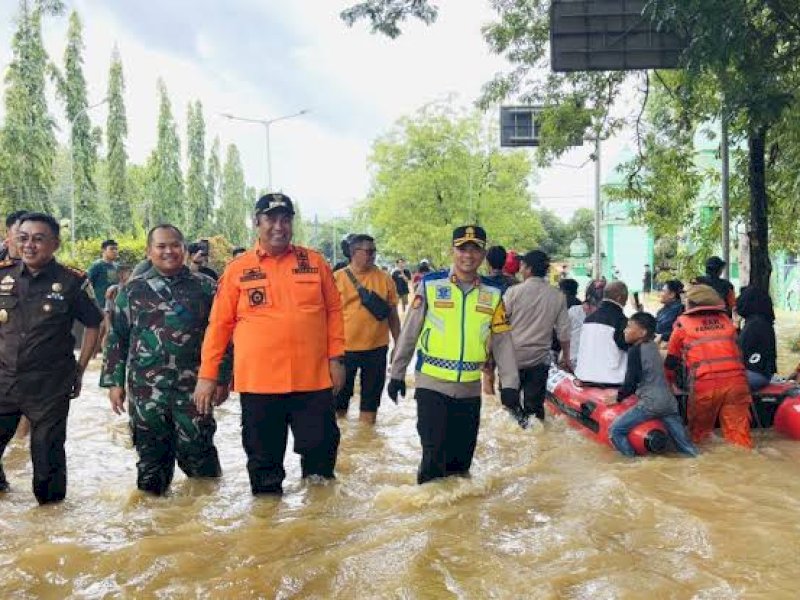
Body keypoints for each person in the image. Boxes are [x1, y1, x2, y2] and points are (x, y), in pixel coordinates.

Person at [194, 193, 345, 495]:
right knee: (264, 469)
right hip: (259, 385)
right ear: (257, 223)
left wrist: (337, 359)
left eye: (285, 219)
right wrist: (208, 376)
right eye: (271, 219)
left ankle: (320, 531)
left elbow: (334, 313)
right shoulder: (237, 269)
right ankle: (267, 531)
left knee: (320, 465)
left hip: (312, 382)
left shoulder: (314, 263)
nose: (279, 226)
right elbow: (219, 326)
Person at [101, 225, 231, 495]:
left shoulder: (207, 288)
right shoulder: (132, 291)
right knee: (151, 469)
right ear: (149, 252)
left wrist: (222, 378)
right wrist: (115, 383)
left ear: (184, 249)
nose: (168, 251)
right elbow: (117, 338)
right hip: (146, 392)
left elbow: (223, 337)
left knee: (201, 462)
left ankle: (204, 527)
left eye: (175, 245)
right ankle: (153, 529)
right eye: (161, 246)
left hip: (194, 390)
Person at [387, 225, 521, 484]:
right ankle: (430, 518)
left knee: (461, 467)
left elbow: (503, 341)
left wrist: (511, 384)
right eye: (462, 249)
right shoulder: (430, 285)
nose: (468, 255)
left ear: (483, 254)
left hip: (470, 389)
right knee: (433, 460)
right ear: (452, 251)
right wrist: (397, 373)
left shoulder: (494, 293)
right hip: (431, 385)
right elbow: (410, 332)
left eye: (475, 249)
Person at [0, 213, 102, 503]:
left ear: (54, 244)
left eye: (38, 239)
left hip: (49, 386)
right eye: (23, 238)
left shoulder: (72, 281)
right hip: (4, 381)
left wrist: (80, 370)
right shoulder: (3, 275)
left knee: (47, 460)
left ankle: (51, 521)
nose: (29, 245)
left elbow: (94, 323)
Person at [664, 284, 752, 448]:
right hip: (737, 383)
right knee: (740, 439)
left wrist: (669, 385)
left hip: (706, 386)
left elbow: (671, 362)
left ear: (690, 303)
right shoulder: (727, 322)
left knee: (701, 437)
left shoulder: (682, 326)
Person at [609, 312, 698, 457]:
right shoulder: (652, 346)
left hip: (651, 404)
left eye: (629, 327)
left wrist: (618, 397)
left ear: (642, 333)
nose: (624, 330)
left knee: (616, 431)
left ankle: (633, 464)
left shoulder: (635, 351)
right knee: (687, 447)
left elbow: (631, 383)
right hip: (669, 402)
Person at [333, 234, 400, 424]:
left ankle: (367, 439)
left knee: (370, 405)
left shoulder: (385, 279)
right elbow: (327, 317)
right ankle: (344, 449)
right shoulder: (336, 279)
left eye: (374, 251)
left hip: (377, 350)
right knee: (338, 406)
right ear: (354, 252)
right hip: (344, 351)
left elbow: (393, 316)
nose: (373, 256)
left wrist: (398, 345)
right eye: (368, 252)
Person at [504, 250, 571, 421]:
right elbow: (564, 332)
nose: (520, 269)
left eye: (522, 266)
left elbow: (498, 325)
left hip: (512, 358)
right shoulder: (558, 296)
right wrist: (566, 357)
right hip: (539, 360)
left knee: (510, 408)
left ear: (528, 268)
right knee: (535, 410)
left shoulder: (513, 292)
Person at [575, 281, 630, 386]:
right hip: (611, 380)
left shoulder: (588, 319)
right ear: (619, 298)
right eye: (626, 298)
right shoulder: (621, 320)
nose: (626, 302)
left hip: (584, 376)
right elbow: (628, 346)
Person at [736, 286, 776, 392]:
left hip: (755, 373)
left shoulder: (755, 324)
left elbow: (739, 351)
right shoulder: (762, 321)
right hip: (762, 373)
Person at [101, 264, 132, 349]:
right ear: (120, 275)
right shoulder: (114, 290)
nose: (129, 275)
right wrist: (108, 327)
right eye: (127, 273)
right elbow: (108, 310)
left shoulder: (135, 288)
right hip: (117, 323)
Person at [87, 239, 120, 308]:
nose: (115, 251)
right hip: (101, 306)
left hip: (116, 305)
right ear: (103, 250)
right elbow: (88, 285)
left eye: (116, 249)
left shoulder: (118, 267)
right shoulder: (97, 266)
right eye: (112, 249)